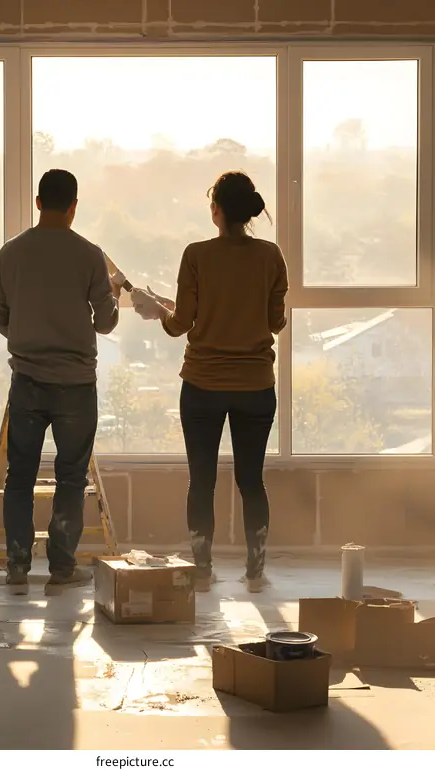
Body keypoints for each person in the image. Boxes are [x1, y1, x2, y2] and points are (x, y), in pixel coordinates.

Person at [131, 171, 288, 594]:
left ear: (216, 210)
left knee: (201, 479)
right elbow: (277, 322)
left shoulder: (197, 254)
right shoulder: (271, 256)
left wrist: (159, 311)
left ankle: (202, 569)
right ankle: (255, 570)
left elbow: (180, 324)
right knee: (251, 480)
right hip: (255, 385)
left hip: (202, 384)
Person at [0, 169, 124, 595]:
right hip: (75, 385)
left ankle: (16, 567)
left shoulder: (11, 253)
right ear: (74, 206)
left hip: (27, 380)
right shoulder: (89, 255)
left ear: (37, 202)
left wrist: (27, 337)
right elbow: (104, 323)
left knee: (19, 476)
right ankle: (62, 568)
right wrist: (116, 298)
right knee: (70, 477)